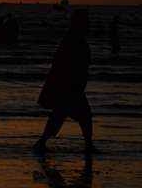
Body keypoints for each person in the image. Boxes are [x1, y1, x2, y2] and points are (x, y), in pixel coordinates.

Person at [34, 9, 97, 154]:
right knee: (84, 116)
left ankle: (41, 143)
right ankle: (88, 146)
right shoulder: (73, 39)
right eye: (86, 21)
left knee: (60, 114)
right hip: (70, 87)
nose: (88, 24)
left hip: (70, 86)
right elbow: (63, 63)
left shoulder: (75, 38)